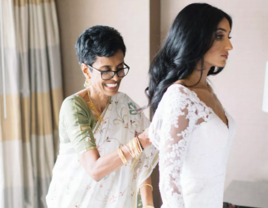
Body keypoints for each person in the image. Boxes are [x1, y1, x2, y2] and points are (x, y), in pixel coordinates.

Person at [46, 25, 158, 208]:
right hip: (72, 201)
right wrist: (141, 141)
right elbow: (95, 170)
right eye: (106, 71)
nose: (115, 78)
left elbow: (142, 160)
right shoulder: (74, 107)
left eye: (120, 68)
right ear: (86, 70)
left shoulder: (125, 105)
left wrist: (148, 204)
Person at [147, 3, 235, 208]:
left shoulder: (207, 90)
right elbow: (169, 181)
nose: (229, 46)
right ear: (196, 36)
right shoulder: (180, 97)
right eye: (220, 36)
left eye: (229, 37)